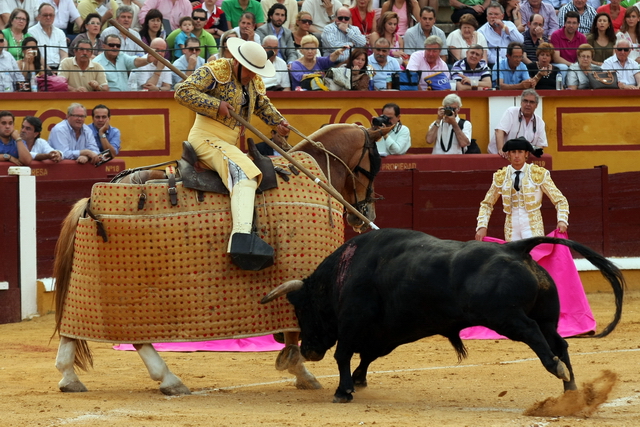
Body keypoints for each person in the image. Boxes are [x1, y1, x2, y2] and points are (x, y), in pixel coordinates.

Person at [174, 38, 291, 269]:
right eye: (249, 70)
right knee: (246, 174)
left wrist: (279, 123)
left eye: (256, 71)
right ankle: (241, 239)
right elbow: (182, 92)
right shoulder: (216, 70)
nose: (252, 76)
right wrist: (214, 105)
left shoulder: (254, 82)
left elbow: (262, 105)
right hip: (207, 138)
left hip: (229, 142)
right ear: (237, 62)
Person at [475, 137, 568, 242]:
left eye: (520, 152)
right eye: (513, 152)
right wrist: (482, 226)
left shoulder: (538, 174)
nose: (517, 155)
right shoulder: (501, 176)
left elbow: (560, 200)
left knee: (535, 256)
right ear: (509, 154)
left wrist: (562, 220)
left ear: (526, 154)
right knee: (513, 258)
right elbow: (487, 204)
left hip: (533, 226)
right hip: (511, 228)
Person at [488, 88, 547, 155]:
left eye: (531, 102)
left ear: (536, 105)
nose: (528, 104)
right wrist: (501, 150)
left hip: (523, 159)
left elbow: (540, 145)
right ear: (521, 103)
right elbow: (499, 131)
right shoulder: (511, 112)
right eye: (525, 101)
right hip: (501, 156)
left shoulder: (540, 122)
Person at [477, 2, 524, 67]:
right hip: (495, 65)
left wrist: (504, 27)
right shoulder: (481, 31)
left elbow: (520, 41)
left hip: (513, 62)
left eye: (496, 14)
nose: (493, 16)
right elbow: (486, 53)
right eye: (490, 14)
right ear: (487, 17)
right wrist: (502, 62)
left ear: (502, 16)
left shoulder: (509, 24)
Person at [29, 4, 68, 70]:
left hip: (59, 68)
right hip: (40, 68)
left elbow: (64, 54)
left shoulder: (60, 33)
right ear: (39, 16)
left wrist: (61, 70)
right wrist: (48, 70)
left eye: (51, 15)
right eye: (45, 15)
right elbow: (35, 54)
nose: (48, 17)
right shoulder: (31, 32)